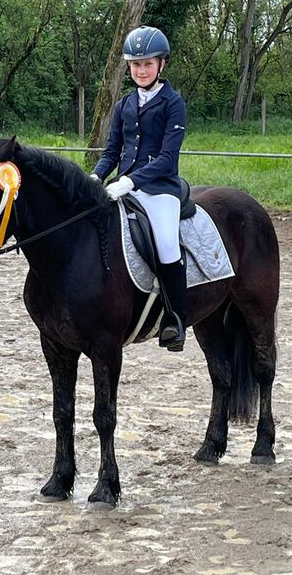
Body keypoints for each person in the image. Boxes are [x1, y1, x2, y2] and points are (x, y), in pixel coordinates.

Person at [91, 25, 187, 352]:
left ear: (161, 65)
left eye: (147, 64)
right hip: (122, 187)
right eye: (135, 64)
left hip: (160, 189)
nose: (141, 70)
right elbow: (111, 152)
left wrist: (131, 180)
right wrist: (95, 178)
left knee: (165, 244)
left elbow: (167, 157)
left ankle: (176, 319)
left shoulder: (173, 103)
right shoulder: (123, 105)